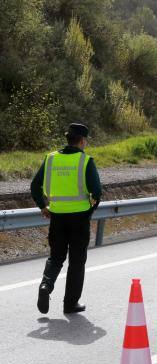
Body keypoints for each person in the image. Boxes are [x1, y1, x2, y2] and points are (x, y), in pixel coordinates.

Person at [30, 123, 101, 315]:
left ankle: (46, 285)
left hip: (57, 217)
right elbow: (97, 191)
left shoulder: (51, 159)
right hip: (79, 218)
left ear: (68, 138)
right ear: (82, 141)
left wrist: (43, 206)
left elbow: (35, 186)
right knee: (77, 262)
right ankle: (70, 304)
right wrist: (90, 208)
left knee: (56, 256)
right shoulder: (85, 161)